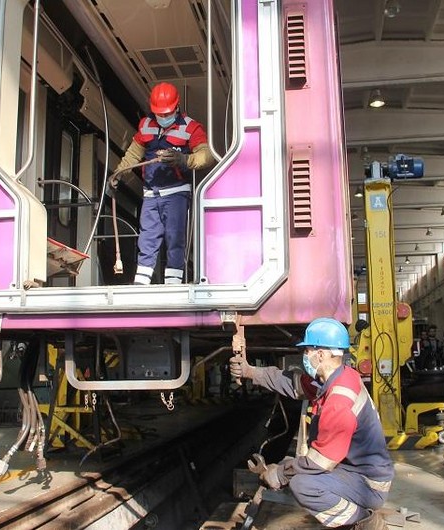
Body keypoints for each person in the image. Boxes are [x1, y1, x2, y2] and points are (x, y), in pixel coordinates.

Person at [230, 318, 393, 529]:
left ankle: (363, 521)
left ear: (322, 354)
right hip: (353, 470)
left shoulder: (339, 401)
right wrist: (250, 371)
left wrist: (279, 474)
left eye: (308, 351)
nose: (305, 356)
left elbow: (320, 462)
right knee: (293, 466)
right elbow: (292, 383)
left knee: (303, 484)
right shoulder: (338, 377)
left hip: (368, 485)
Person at [110, 82, 215, 285]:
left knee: (175, 238)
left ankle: (173, 283)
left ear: (176, 108)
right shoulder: (146, 125)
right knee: (147, 237)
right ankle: (141, 282)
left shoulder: (191, 127)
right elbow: (134, 153)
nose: (163, 117)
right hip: (151, 193)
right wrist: (118, 173)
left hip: (176, 193)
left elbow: (207, 155)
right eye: (159, 113)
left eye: (166, 113)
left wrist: (185, 160)